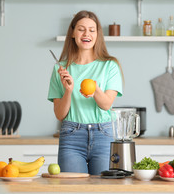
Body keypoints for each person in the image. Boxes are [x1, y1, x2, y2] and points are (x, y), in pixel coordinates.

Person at [47, 10, 123, 175]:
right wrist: (69, 90)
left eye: (91, 30)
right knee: (73, 189)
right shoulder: (60, 69)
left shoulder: (110, 66)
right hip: (71, 137)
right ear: (73, 33)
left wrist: (95, 89)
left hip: (103, 135)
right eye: (81, 29)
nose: (86, 33)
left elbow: (106, 104)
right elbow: (60, 114)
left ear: (97, 35)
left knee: (102, 190)